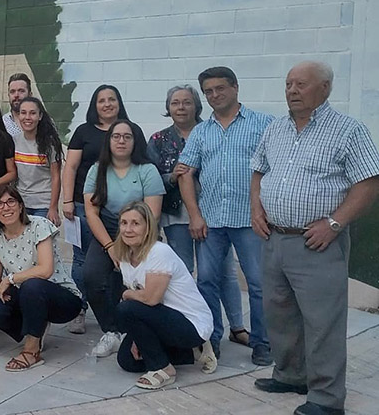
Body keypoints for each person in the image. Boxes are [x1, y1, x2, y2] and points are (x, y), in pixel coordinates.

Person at [251, 62, 379, 415]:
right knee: (280, 316)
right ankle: (291, 375)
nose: (292, 90)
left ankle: (325, 398)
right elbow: (259, 169)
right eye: (288, 83)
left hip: (317, 243)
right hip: (275, 238)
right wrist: (256, 211)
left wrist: (335, 224)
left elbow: (368, 182)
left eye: (301, 84)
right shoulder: (275, 128)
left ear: (325, 88)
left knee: (323, 323)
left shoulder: (348, 130)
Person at [177, 66, 273, 365]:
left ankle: (262, 343)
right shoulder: (201, 132)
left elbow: (276, 168)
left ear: (235, 87)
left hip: (250, 220)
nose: (214, 95)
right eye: (208, 91)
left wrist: (266, 210)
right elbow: (185, 174)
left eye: (220, 88)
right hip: (211, 221)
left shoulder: (263, 124)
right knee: (206, 281)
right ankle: (211, 340)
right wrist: (194, 215)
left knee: (258, 283)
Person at [146, 85, 249, 348]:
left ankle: (236, 327)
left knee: (221, 273)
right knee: (182, 271)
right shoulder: (158, 140)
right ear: (168, 108)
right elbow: (149, 177)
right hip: (175, 214)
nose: (181, 108)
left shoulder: (211, 132)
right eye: (175, 103)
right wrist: (171, 176)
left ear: (196, 106)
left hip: (214, 214)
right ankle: (189, 326)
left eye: (187, 103)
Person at [61, 84, 144, 334]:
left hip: (124, 216)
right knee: (82, 259)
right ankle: (80, 309)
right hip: (82, 204)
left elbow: (143, 163)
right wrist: (67, 201)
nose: (107, 104)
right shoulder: (83, 131)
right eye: (101, 100)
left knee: (118, 264)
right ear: (94, 105)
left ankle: (117, 311)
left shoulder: (132, 130)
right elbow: (71, 167)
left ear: (119, 103)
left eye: (112, 99)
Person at [83, 120, 164, 358]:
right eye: (116, 136)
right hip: (107, 228)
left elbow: (152, 214)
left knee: (131, 280)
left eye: (127, 137)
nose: (121, 141)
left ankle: (134, 328)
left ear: (135, 141)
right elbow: (91, 212)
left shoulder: (147, 170)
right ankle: (111, 330)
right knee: (92, 276)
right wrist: (110, 247)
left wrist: (131, 243)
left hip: (141, 229)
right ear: (108, 141)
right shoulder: (96, 169)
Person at [114, 201, 216, 389]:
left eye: (136, 223)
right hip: (162, 318)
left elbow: (151, 299)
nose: (128, 229)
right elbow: (143, 306)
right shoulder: (125, 255)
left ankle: (164, 369)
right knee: (127, 360)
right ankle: (191, 353)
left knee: (125, 308)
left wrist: (127, 294)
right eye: (124, 223)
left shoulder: (159, 252)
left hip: (189, 322)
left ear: (147, 228)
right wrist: (138, 337)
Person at [0, 185, 82, 371]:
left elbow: (45, 270)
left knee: (32, 285)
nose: (6, 207)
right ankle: (36, 326)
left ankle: (32, 350)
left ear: (20, 206)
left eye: (11, 201)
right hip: (27, 297)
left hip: (61, 297)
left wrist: (10, 279)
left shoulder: (38, 225)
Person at [14, 97, 62, 225]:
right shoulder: (14, 141)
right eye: (23, 113)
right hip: (21, 203)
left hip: (43, 205)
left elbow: (56, 177)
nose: (27, 117)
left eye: (33, 113)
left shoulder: (50, 143)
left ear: (40, 116)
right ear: (18, 115)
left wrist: (53, 208)